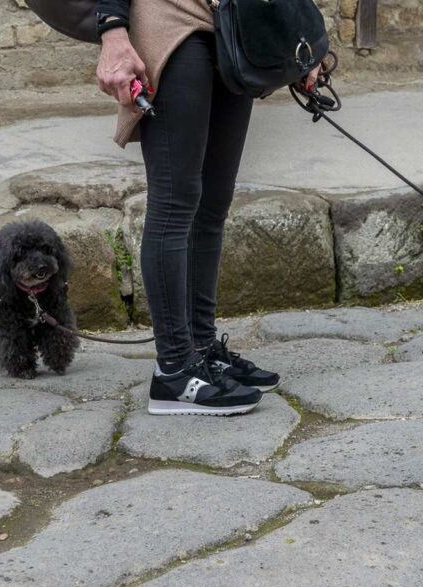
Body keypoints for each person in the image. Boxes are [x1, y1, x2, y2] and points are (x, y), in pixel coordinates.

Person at [94, 0, 321, 416]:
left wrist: (299, 34)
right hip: (171, 20)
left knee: (213, 204)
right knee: (175, 202)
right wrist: (113, 32)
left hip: (237, 24)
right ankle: (174, 370)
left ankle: (201, 350)